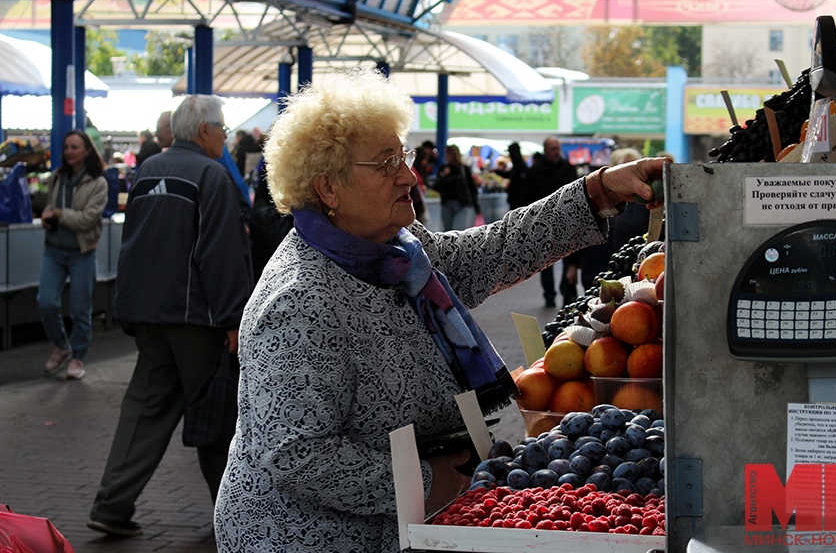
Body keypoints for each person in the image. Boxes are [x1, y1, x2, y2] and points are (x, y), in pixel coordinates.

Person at [213, 66, 667, 553]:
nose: (408, 176)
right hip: (309, 538)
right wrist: (429, 482)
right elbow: (297, 455)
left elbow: (491, 252)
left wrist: (597, 192)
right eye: (386, 163)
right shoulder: (299, 302)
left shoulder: (399, 254)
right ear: (328, 189)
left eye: (403, 156)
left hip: (398, 522)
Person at [87, 94, 253, 538]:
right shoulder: (211, 175)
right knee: (217, 415)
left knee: (143, 408)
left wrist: (128, 305)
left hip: (150, 313)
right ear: (204, 131)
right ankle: (234, 514)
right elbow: (222, 254)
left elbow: (134, 244)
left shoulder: (149, 171)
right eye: (222, 128)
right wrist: (234, 317)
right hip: (196, 317)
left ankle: (110, 504)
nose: (226, 136)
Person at [38, 129, 109, 380]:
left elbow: (88, 220)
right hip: (54, 250)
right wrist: (49, 216)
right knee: (46, 301)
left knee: (80, 308)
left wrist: (57, 214)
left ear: (87, 151)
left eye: (75, 147)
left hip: (82, 252)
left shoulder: (98, 183)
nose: (69, 151)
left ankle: (78, 356)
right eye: (67, 147)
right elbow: (50, 205)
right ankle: (61, 345)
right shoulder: (57, 177)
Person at [568, 148, 651, 291]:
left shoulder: (646, 201)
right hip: (595, 271)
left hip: (631, 274)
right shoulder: (595, 199)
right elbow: (580, 232)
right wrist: (572, 265)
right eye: (626, 167)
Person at [524, 136, 579, 307]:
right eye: (552, 149)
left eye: (558, 148)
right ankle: (549, 295)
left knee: (567, 259)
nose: (556, 152)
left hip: (565, 221)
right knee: (545, 261)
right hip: (543, 224)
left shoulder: (568, 168)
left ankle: (565, 291)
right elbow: (528, 199)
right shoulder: (535, 171)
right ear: (545, 151)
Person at [432, 143, 480, 230]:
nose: (446, 156)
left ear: (453, 154)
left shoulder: (464, 169)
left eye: (447, 153)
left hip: (461, 204)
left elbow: (472, 187)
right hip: (447, 204)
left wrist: (476, 206)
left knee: (457, 231)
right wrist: (444, 176)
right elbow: (436, 186)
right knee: (447, 232)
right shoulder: (443, 169)